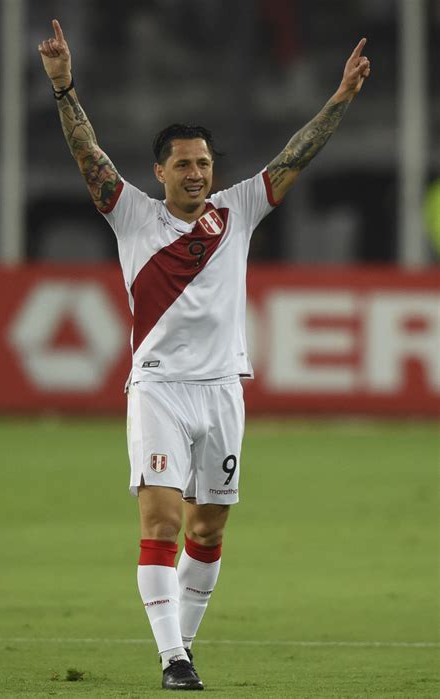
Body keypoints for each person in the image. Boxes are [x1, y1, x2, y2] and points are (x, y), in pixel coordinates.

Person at [39, 19, 370, 691]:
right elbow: (87, 154)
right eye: (183, 163)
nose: (196, 173)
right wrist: (64, 85)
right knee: (160, 518)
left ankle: (180, 642)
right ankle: (172, 660)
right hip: (158, 388)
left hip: (222, 391)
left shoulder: (237, 211)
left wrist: (339, 99)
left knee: (208, 529)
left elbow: (293, 157)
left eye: (203, 162)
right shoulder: (132, 215)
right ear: (159, 171)